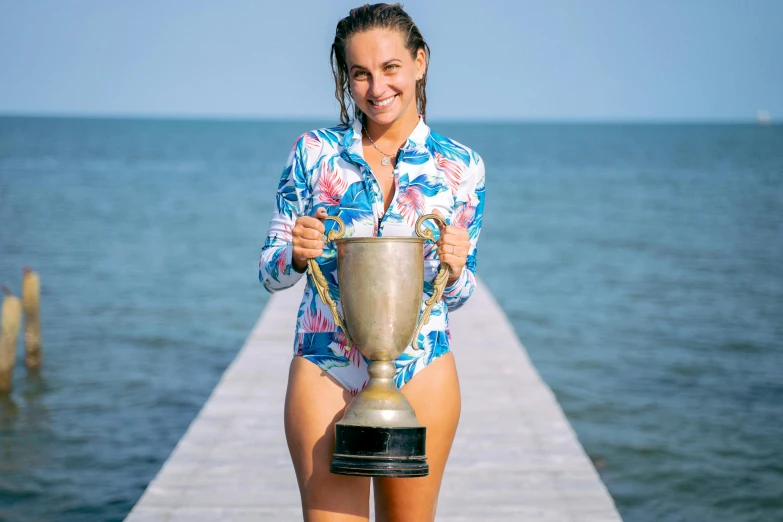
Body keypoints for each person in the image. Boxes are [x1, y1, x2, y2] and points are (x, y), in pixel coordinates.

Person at [258, 3, 485, 520]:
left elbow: (462, 292)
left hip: (423, 367)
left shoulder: (463, 167)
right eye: (359, 73)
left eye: (390, 68)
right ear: (346, 77)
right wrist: (295, 253)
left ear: (419, 63)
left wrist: (456, 265)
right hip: (326, 366)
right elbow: (269, 271)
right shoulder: (313, 153)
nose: (376, 87)